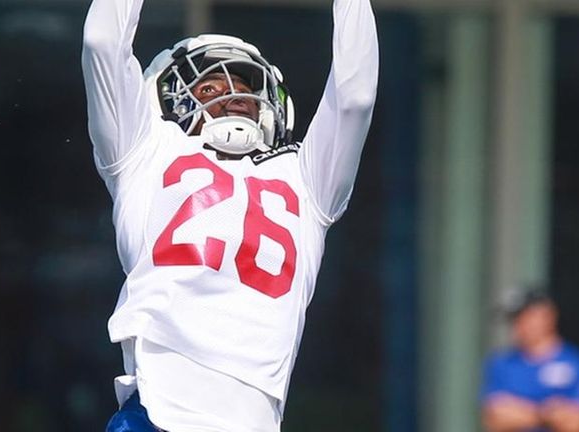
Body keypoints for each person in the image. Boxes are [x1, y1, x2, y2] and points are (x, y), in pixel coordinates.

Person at [81, 0, 378, 430]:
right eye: (209, 88)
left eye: (243, 85)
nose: (234, 95)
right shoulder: (144, 150)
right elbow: (102, 41)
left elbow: (355, 96)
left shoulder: (306, 177)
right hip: (157, 414)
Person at [481, 289, 579, 432]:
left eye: (524, 317)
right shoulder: (502, 363)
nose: (518, 326)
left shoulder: (575, 363)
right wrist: (546, 413)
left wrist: (519, 410)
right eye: (515, 320)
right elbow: (496, 419)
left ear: (547, 317)